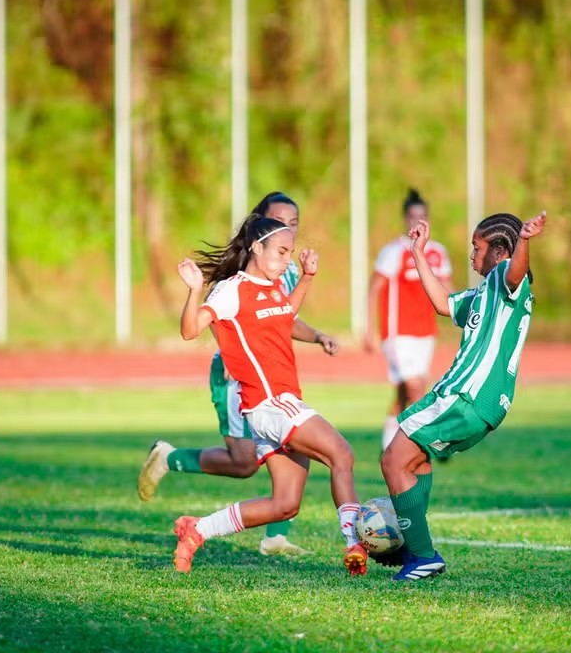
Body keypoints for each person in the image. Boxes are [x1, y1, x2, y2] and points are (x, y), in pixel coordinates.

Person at [138, 192, 338, 557]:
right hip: (236, 377)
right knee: (245, 461)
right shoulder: (244, 270)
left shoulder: (285, 267)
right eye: (280, 222)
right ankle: (171, 458)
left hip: (270, 382)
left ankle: (276, 534)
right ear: (259, 228)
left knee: (286, 443)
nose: (288, 231)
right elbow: (222, 314)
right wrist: (232, 357)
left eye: (294, 225)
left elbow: (284, 318)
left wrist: (317, 335)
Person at [169, 215, 367, 575]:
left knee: (285, 505)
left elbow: (286, 313)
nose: (286, 260)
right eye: (281, 251)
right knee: (341, 453)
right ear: (256, 248)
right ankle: (354, 542)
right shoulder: (231, 290)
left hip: (278, 404)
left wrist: (306, 278)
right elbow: (188, 330)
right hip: (269, 403)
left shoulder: (273, 287)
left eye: (290, 252)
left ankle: (198, 530)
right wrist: (194, 289)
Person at [379, 211, 546, 581]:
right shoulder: (486, 292)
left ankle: (421, 556)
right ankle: (415, 550)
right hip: (481, 405)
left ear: (500, 252)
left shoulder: (506, 279)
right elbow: (443, 303)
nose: (472, 255)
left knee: (392, 460)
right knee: (415, 462)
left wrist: (526, 241)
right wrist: (418, 252)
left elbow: (516, 271)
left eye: (477, 248)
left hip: (464, 394)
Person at [364, 188, 453, 449]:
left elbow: (449, 288)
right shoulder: (394, 251)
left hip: (425, 331)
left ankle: (389, 446)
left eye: (422, 216)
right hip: (398, 332)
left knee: (405, 393)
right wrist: (369, 329)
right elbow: (374, 289)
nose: (417, 221)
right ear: (405, 219)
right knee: (415, 388)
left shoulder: (438, 252)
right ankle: (429, 443)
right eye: (412, 216)